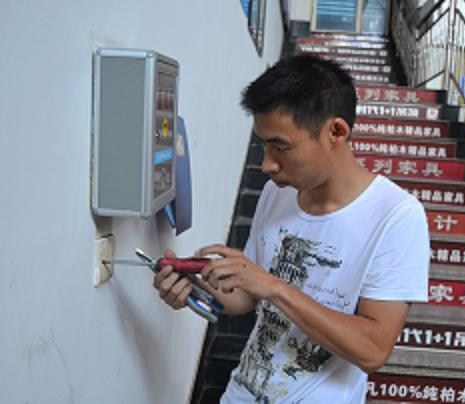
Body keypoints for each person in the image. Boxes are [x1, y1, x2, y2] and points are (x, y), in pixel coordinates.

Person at [154, 55, 430, 403]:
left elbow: (372, 350)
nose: (267, 164)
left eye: (281, 147)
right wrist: (195, 285)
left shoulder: (396, 216)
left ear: (336, 132)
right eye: (263, 145)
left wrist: (274, 286)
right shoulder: (277, 193)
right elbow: (247, 297)